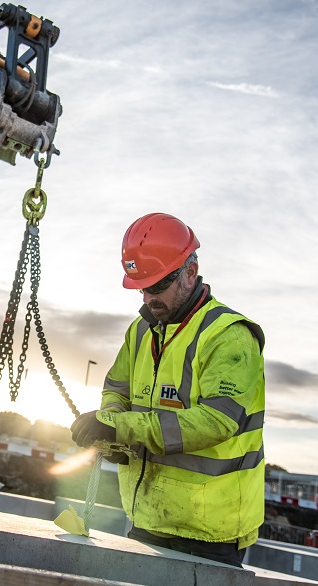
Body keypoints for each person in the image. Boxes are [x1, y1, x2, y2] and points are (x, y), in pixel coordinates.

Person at [70, 212, 265, 567]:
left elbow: (217, 421)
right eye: (141, 287)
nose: (148, 297)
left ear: (190, 272)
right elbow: (117, 390)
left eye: (157, 286)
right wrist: (112, 434)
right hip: (148, 516)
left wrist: (121, 427)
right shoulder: (140, 331)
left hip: (210, 531)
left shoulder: (230, 336)